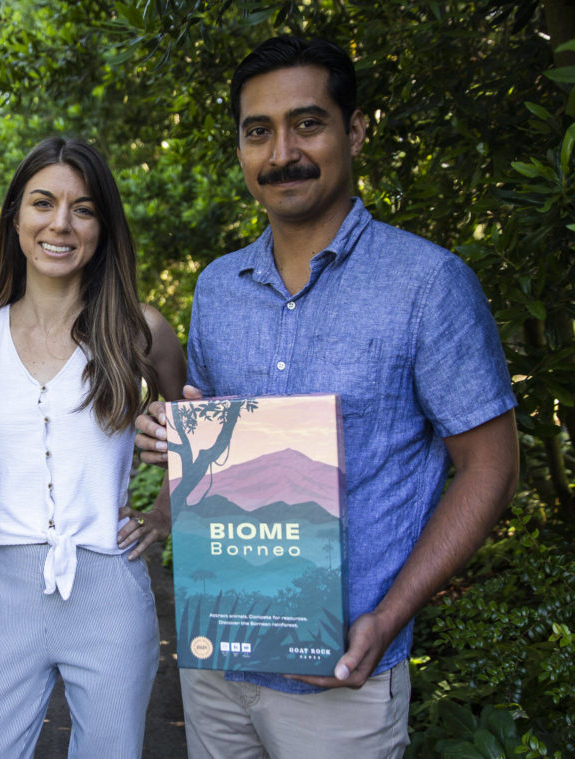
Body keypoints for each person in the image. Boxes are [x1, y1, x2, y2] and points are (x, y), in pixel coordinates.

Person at [134, 36, 519, 758]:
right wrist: (172, 431)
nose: (282, 151)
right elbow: (214, 451)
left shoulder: (428, 284)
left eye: (307, 123)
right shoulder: (217, 287)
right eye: (258, 132)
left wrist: (391, 615)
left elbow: (492, 467)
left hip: (346, 674)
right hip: (219, 660)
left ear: (357, 129)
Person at [0, 136, 185, 758]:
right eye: (42, 203)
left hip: (110, 591)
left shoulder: (139, 329)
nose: (60, 223)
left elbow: (199, 433)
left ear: (102, 227)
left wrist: (165, 510)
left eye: (82, 208)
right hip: (2, 590)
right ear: (15, 218)